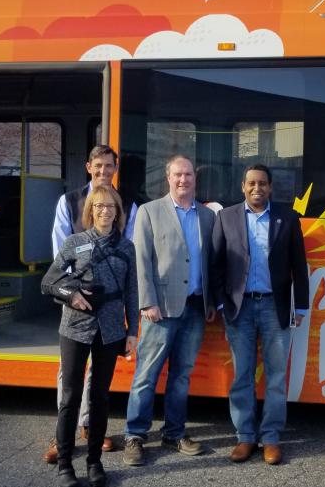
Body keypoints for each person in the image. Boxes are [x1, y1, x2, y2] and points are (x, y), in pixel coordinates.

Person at [210, 164, 310, 465]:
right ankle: (245, 437)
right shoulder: (226, 218)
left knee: (276, 377)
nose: (257, 188)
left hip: (274, 307)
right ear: (243, 186)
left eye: (263, 183)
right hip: (239, 309)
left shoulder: (288, 218)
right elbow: (215, 264)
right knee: (242, 375)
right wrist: (220, 304)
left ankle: (271, 438)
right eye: (252, 183)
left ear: (270, 187)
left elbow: (299, 265)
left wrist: (301, 306)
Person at [45, 145, 137, 463]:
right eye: (98, 166)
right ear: (88, 167)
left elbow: (129, 250)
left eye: (109, 166)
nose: (103, 172)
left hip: (110, 305)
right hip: (76, 299)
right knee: (68, 372)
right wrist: (76, 291)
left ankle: (88, 427)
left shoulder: (126, 204)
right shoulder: (68, 201)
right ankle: (64, 436)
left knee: (98, 377)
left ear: (115, 168)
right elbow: (60, 251)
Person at [123, 154, 216, 466]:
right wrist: (147, 301)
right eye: (178, 175)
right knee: (146, 374)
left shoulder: (207, 216)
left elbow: (210, 263)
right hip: (159, 309)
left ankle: (174, 433)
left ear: (195, 178)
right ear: (168, 178)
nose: (183, 180)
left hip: (195, 308)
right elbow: (141, 260)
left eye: (188, 174)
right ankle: (135, 435)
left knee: (182, 376)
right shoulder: (150, 211)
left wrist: (211, 302)